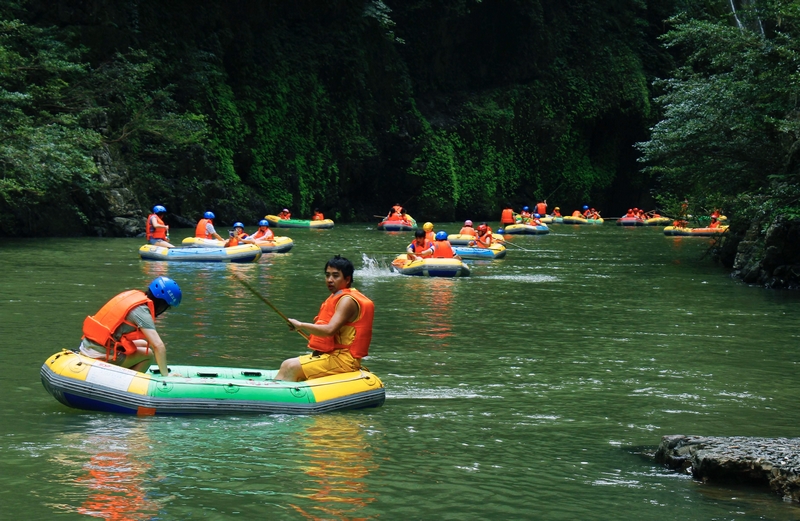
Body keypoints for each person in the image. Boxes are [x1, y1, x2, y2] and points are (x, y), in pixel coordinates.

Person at [276, 256, 374, 382]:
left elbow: (329, 330)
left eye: (335, 276)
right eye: (327, 275)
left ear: (347, 279)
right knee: (286, 365)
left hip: (344, 360)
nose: (330, 280)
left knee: (290, 366)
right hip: (333, 356)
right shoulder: (337, 297)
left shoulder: (347, 301)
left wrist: (300, 325)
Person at [79, 277, 182, 376]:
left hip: (89, 345)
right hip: (97, 353)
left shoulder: (134, 296)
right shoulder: (142, 312)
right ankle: (125, 382)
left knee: (143, 344)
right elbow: (158, 346)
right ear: (161, 303)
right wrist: (166, 375)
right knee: (148, 355)